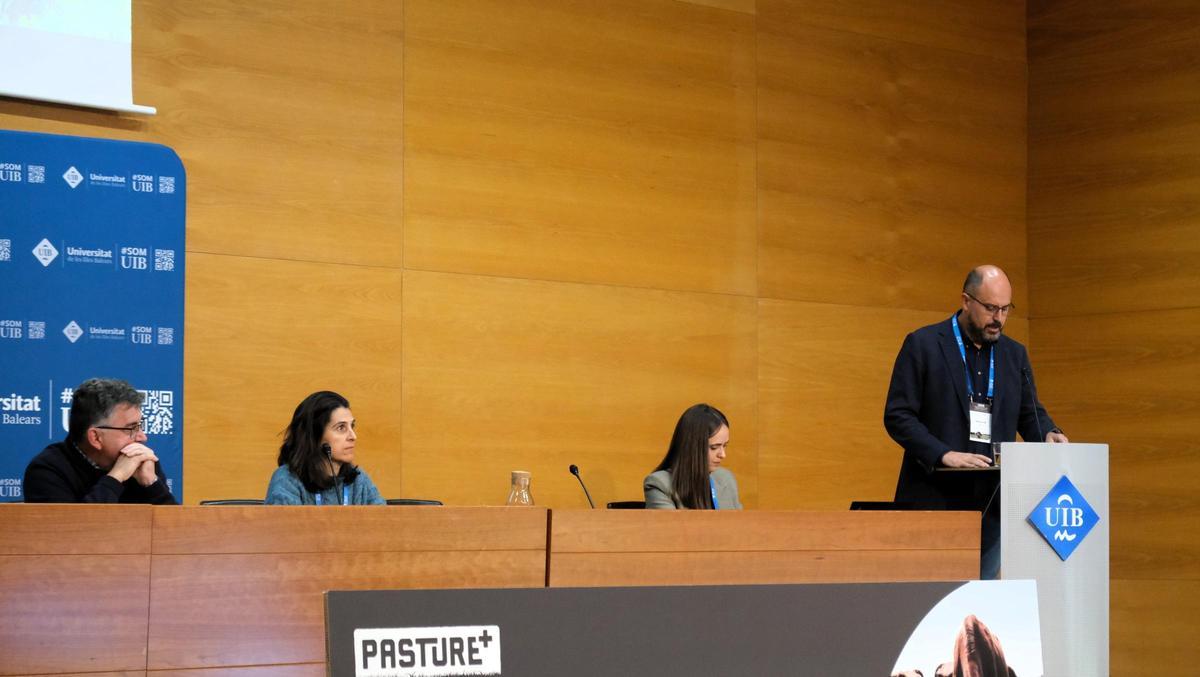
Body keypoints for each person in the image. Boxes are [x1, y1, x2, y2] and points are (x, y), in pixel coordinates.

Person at [884, 265, 1067, 579]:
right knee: (930, 602)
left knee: (978, 599)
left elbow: (1029, 412)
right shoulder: (924, 345)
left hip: (991, 505)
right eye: (991, 308)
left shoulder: (1014, 355)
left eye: (1006, 309)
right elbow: (898, 416)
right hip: (935, 499)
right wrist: (943, 454)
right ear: (966, 301)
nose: (999, 318)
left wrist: (1049, 432)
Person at [23, 378, 177, 504]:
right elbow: (72, 532)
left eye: (140, 426)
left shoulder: (141, 463)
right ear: (95, 437)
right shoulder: (47, 470)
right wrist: (116, 477)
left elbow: (176, 532)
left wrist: (152, 483)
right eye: (131, 428)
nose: (143, 437)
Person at [265, 390, 384, 505]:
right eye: (341, 428)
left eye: (352, 426)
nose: (353, 436)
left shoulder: (358, 481)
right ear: (314, 435)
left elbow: (385, 522)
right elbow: (284, 525)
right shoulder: (287, 480)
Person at [644, 403, 742, 510]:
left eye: (725, 445)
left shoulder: (726, 478)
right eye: (714, 447)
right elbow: (669, 527)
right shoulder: (660, 484)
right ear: (692, 447)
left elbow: (741, 525)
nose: (723, 455)